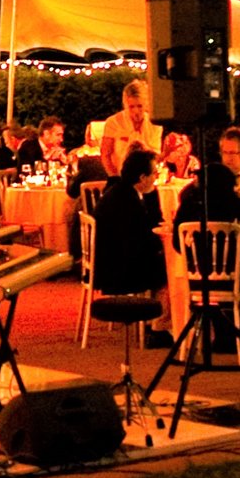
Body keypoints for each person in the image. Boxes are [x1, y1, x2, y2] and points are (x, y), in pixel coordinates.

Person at [90, 148, 172, 345]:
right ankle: (159, 328)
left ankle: (151, 320)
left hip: (110, 262)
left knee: (161, 261)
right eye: (154, 173)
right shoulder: (127, 202)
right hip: (118, 270)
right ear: (143, 177)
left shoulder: (121, 192)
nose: (156, 177)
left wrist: (152, 196)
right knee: (172, 267)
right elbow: (141, 239)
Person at [88, 80, 161, 165]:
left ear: (146, 104)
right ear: (125, 105)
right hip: (120, 174)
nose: (136, 111)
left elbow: (156, 155)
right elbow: (105, 155)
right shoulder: (113, 122)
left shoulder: (154, 123)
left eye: (140, 106)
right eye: (131, 107)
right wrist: (113, 176)